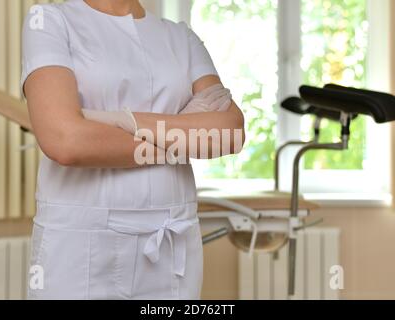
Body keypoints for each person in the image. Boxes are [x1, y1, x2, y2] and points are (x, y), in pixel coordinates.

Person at [22, 0, 245, 299]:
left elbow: (229, 133)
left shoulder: (181, 37)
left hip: (171, 242)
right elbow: (65, 141)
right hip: (80, 243)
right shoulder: (50, 21)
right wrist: (181, 137)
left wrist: (117, 121)